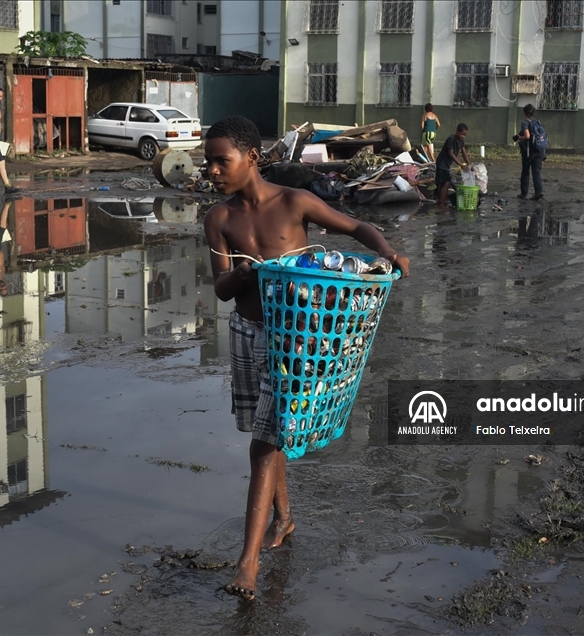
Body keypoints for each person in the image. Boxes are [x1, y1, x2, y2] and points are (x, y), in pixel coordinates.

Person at [202, 115, 410, 602]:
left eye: (220, 160)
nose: (211, 170)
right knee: (267, 431)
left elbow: (358, 226)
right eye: (208, 162)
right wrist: (254, 273)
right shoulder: (219, 218)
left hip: (294, 336)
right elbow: (222, 287)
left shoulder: (292, 202)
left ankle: (247, 564)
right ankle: (285, 517)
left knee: (264, 444)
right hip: (248, 332)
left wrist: (390, 251)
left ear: (251, 158)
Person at [436, 124, 471, 209]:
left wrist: (470, 164)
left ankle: (440, 203)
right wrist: (461, 165)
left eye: (465, 135)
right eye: (462, 134)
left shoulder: (461, 141)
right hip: (442, 163)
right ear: (457, 131)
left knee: (443, 183)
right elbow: (450, 153)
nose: (463, 136)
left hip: (446, 165)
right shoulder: (451, 139)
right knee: (446, 182)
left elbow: (464, 153)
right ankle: (441, 204)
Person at [514, 104, 545, 201]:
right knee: (536, 172)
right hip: (540, 150)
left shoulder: (525, 122)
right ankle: (538, 192)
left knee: (526, 171)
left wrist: (519, 137)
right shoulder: (538, 122)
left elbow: (527, 136)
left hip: (529, 151)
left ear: (524, 113)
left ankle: (524, 193)